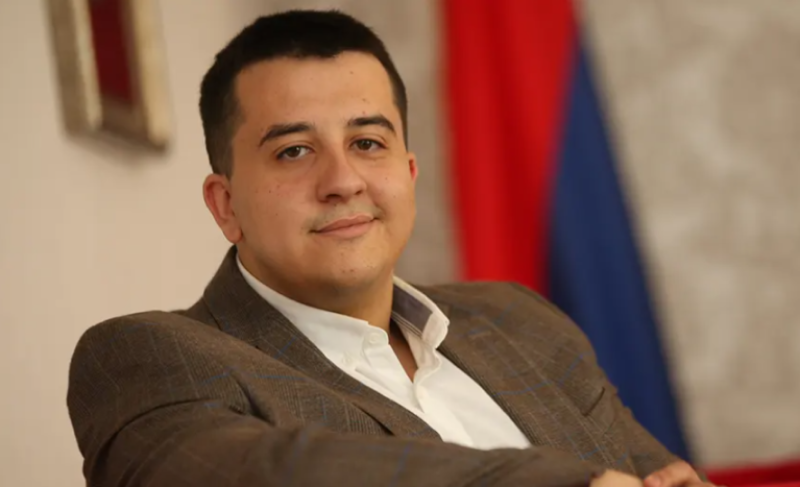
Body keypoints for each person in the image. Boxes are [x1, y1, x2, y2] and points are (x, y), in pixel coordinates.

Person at [67, 10, 711, 487]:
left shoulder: (521, 320)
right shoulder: (148, 358)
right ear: (225, 204)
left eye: (368, 143)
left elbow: (658, 473)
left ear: (408, 172)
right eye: (294, 151)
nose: (343, 180)